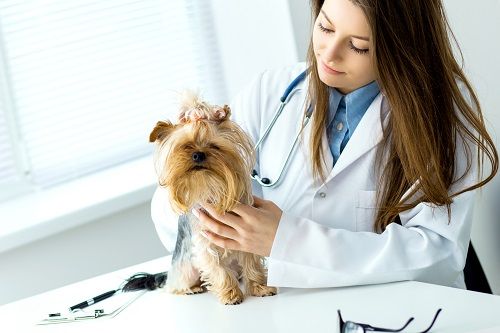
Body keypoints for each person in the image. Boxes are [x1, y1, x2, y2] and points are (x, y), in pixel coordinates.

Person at [151, 0, 498, 289]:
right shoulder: (271, 93)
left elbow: (435, 255)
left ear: (402, 48)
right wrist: (187, 167)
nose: (329, 55)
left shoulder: (440, 116)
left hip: (399, 317)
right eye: (326, 27)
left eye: (358, 45)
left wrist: (287, 241)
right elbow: (171, 213)